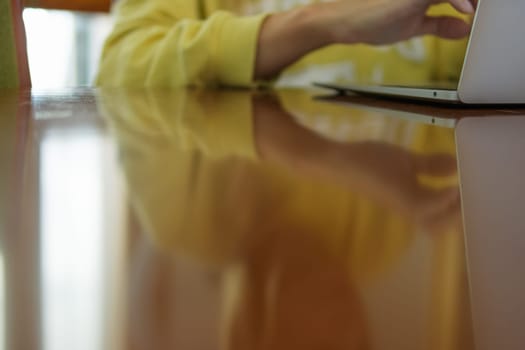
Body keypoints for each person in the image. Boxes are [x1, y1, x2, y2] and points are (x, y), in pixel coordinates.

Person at [95, 0, 476, 88]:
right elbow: (124, 66)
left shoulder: (383, 240)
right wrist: (316, 24)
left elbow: (474, 67)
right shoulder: (195, 227)